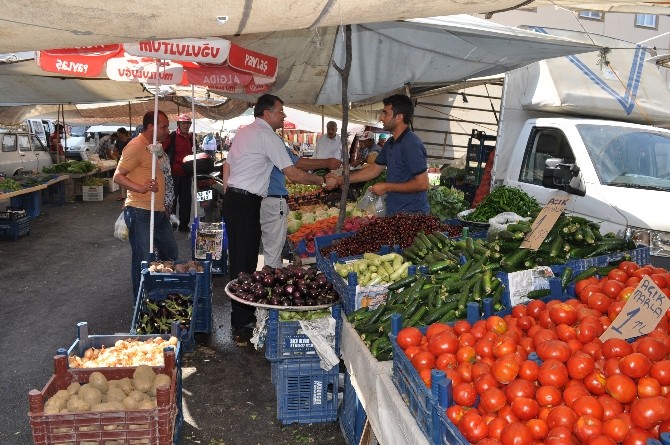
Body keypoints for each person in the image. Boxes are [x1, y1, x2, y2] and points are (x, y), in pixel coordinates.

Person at [222, 94, 337, 343]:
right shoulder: (267, 136)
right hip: (245, 202)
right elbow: (294, 173)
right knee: (244, 262)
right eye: (280, 111)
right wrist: (322, 181)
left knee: (242, 260)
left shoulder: (244, 133)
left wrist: (229, 190)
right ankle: (242, 321)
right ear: (266, 114)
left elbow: (227, 166)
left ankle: (242, 315)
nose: (283, 116)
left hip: (237, 200)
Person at [328, 94, 430, 216]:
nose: (381, 117)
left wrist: (387, 187)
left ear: (399, 117)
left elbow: (422, 184)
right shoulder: (390, 143)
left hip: (413, 215)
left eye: (385, 113)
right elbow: (373, 170)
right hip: (394, 211)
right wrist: (343, 179)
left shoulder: (411, 144)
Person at [113, 110, 178, 301]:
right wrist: (140, 188)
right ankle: (141, 304)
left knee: (170, 253)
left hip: (158, 212)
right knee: (143, 259)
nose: (167, 130)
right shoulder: (135, 146)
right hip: (140, 210)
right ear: (151, 127)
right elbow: (118, 176)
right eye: (164, 126)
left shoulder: (154, 147)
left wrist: (165, 203)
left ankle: (160, 295)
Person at [259, 152, 341, 268]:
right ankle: (271, 277)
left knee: (270, 249)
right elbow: (294, 171)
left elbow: (296, 162)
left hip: (262, 200)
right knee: (273, 252)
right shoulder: (272, 141)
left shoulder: (256, 140)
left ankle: (268, 276)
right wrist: (323, 178)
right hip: (273, 200)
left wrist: (327, 164)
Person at [166, 113, 197, 233]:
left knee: (186, 201)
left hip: (186, 174)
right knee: (171, 200)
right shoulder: (172, 136)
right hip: (173, 174)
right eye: (183, 123)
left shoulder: (191, 138)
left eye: (187, 123)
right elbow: (164, 149)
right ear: (179, 124)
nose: (185, 125)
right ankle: (171, 223)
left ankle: (184, 225)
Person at [115, 127, 132, 201]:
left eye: (119, 133)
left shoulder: (130, 141)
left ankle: (129, 194)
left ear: (123, 133)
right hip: (121, 161)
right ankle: (123, 195)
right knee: (121, 177)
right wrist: (120, 156)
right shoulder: (118, 141)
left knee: (129, 177)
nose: (118, 135)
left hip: (130, 161)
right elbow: (115, 151)